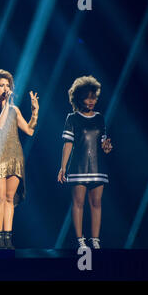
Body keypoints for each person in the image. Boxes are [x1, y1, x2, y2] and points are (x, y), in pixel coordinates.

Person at [0, 69, 39, 249]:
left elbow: (29, 130)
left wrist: (34, 112)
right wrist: (6, 103)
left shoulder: (14, 110)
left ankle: (7, 239)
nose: (5, 88)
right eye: (2, 85)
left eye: (8, 85)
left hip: (15, 155)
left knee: (9, 198)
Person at [57, 75, 112, 249]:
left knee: (96, 204)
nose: (91, 101)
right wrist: (63, 168)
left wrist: (107, 147)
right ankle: (80, 241)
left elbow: (103, 144)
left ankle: (95, 240)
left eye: (94, 97)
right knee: (78, 203)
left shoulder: (99, 118)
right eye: (88, 97)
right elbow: (68, 144)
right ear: (79, 97)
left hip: (97, 167)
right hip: (78, 167)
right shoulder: (72, 118)